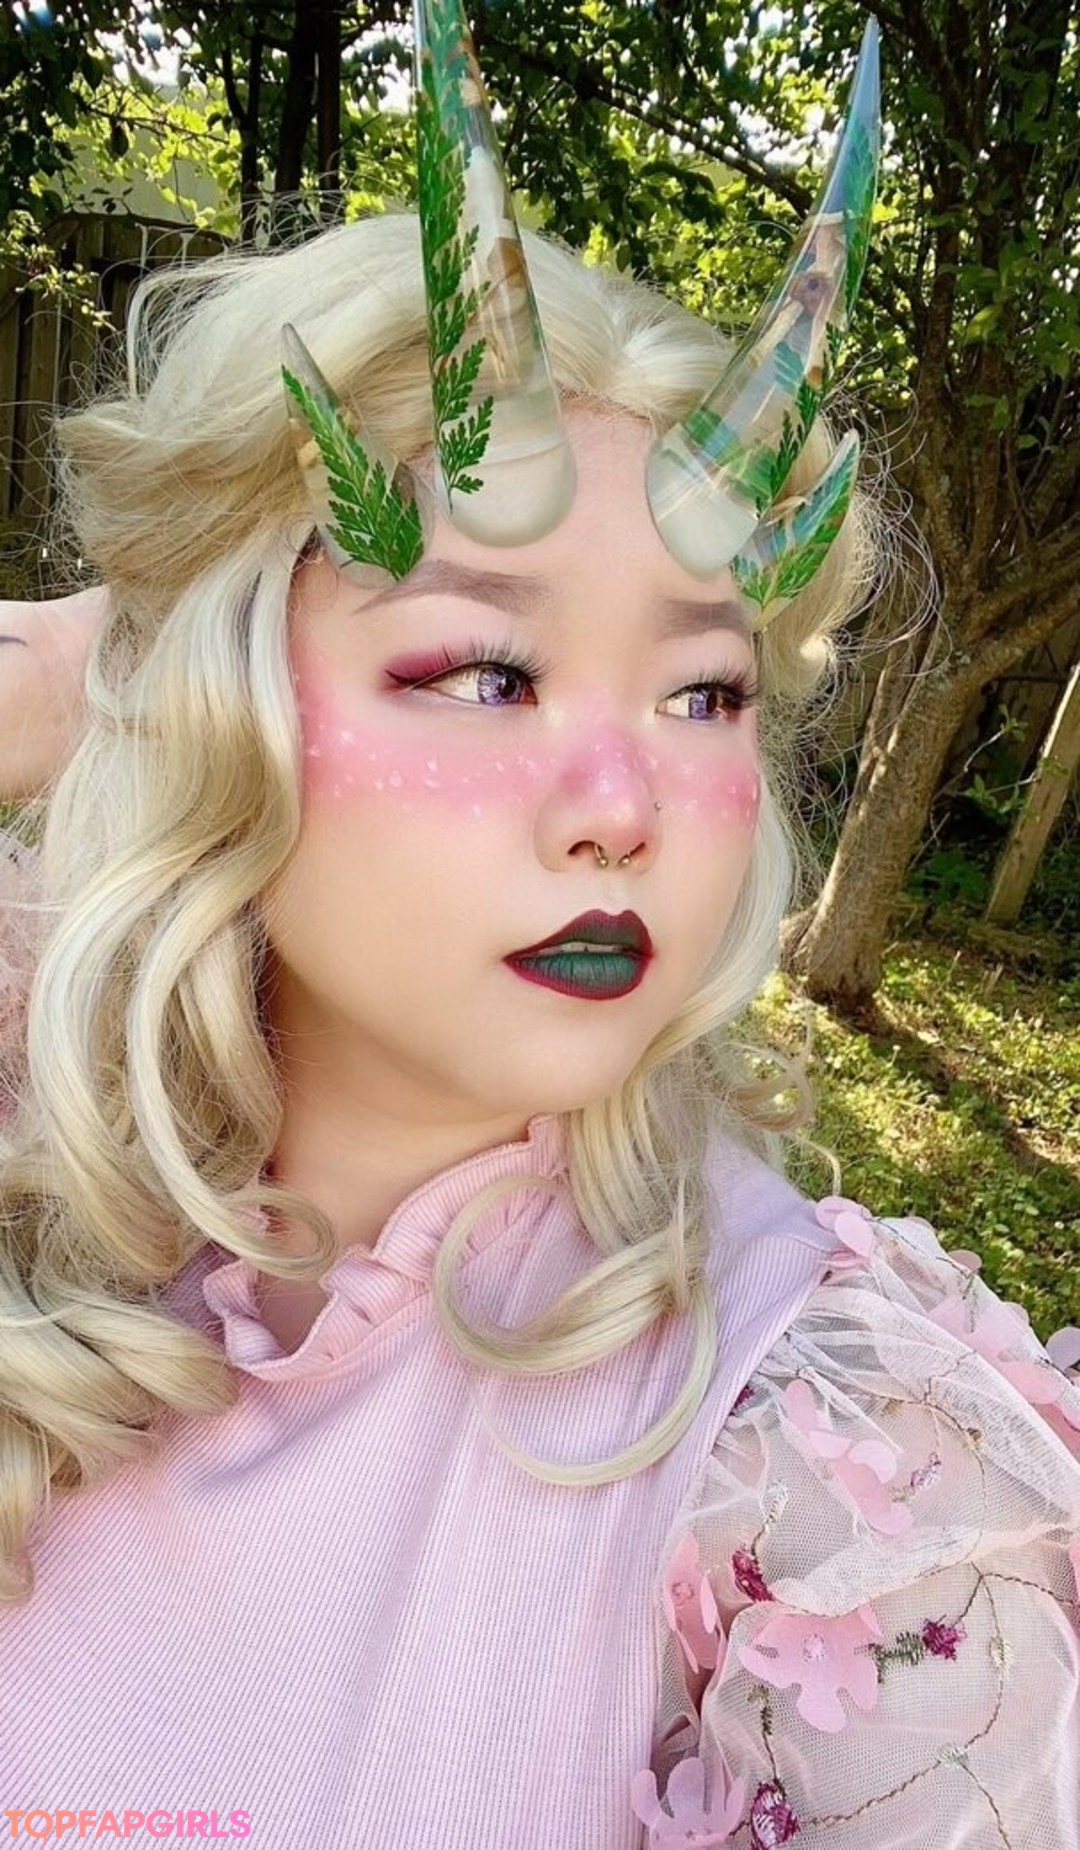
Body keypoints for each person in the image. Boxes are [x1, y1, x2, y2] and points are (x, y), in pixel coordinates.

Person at [0, 7, 1077, 1846]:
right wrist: (93, 659)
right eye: (488, 671)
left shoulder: (841, 1481)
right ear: (217, 704)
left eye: (704, 692)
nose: (621, 803)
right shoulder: (45, 1138)